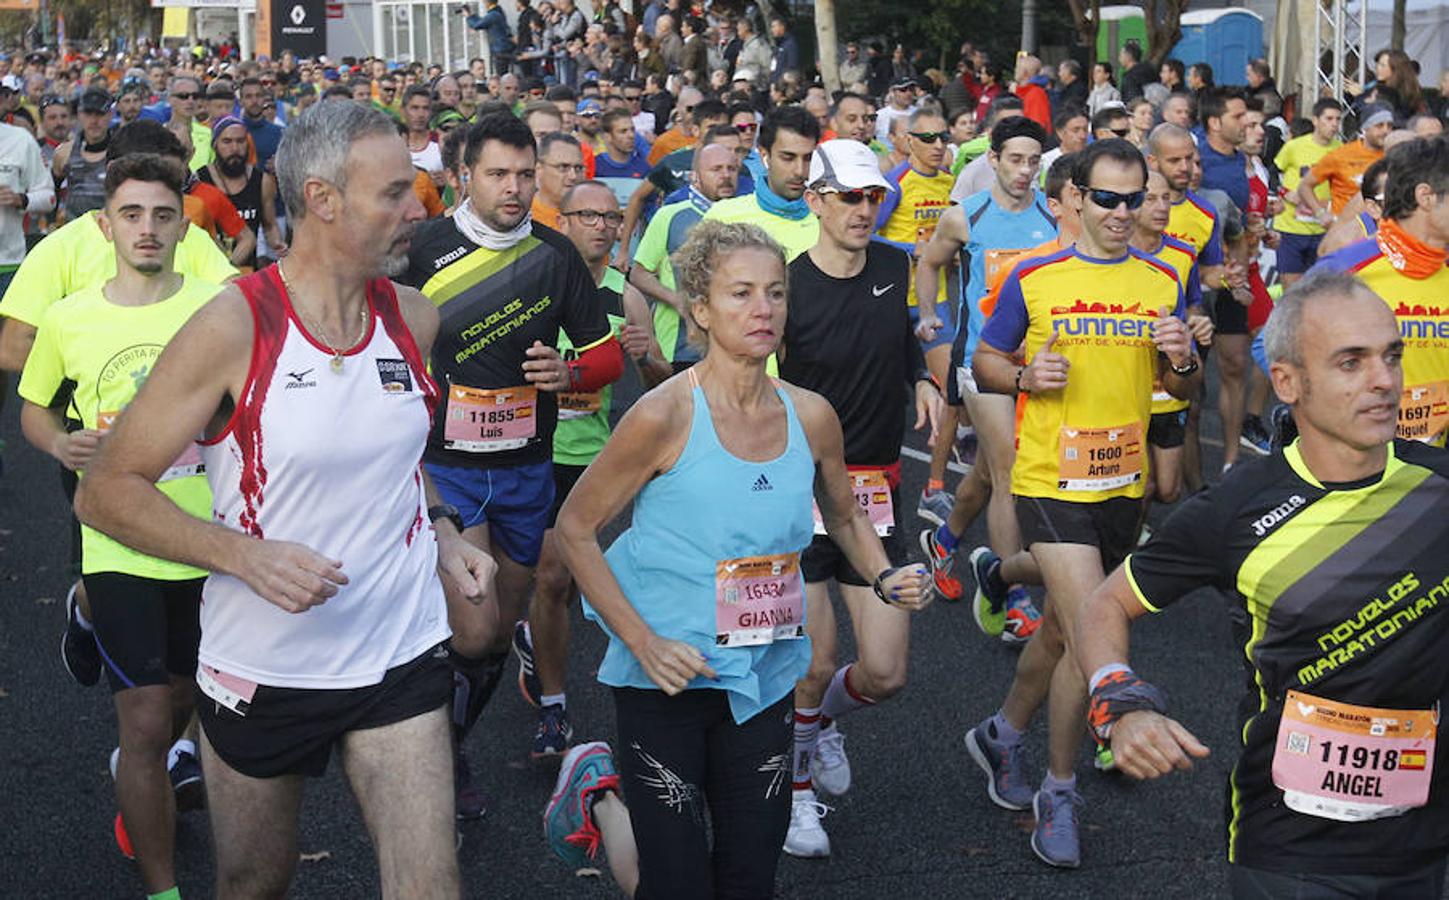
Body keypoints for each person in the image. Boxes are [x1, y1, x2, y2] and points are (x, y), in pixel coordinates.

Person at [74, 100, 492, 899]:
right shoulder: (233, 324)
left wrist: (440, 530)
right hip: (267, 664)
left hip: (398, 649)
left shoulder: (414, 317)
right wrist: (243, 556)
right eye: (396, 194)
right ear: (323, 200)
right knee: (253, 885)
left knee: (431, 887)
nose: (418, 211)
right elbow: (105, 490)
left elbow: (398, 457)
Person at [544, 218, 931, 896]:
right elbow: (576, 527)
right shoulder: (664, 415)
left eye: (775, 294)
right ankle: (602, 798)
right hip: (666, 676)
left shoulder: (810, 414)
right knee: (678, 883)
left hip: (764, 673)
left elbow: (842, 513)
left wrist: (883, 575)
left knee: (748, 877)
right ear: (699, 309)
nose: (762, 310)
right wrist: (642, 641)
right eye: (740, 294)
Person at [1075, 269, 1449, 898]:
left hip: (1429, 840)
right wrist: (1121, 703)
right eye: (1351, 363)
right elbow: (1105, 602)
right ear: (1287, 382)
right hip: (1290, 847)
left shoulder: (1439, 485)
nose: (1385, 380)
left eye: (1391, 355)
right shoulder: (1235, 511)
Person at [964, 139, 1197, 868]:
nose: (1123, 212)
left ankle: (1001, 733)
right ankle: (1058, 789)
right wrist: (1026, 373)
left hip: (1121, 484)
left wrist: (1184, 359)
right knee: (1091, 623)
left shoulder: (1163, 280)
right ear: (1073, 199)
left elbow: (1182, 391)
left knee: (1064, 634)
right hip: (1049, 480)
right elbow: (984, 361)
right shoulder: (1035, 276)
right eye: (1107, 198)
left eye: (1134, 199)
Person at [401, 111, 625, 818]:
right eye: (498, 173)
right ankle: (436, 760)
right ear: (463, 175)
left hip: (528, 465)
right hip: (451, 465)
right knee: (472, 621)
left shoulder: (554, 256)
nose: (514, 187)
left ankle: (447, 738)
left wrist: (570, 372)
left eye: (526, 174)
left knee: (500, 631)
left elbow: (604, 354)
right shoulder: (424, 248)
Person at [18, 153, 218, 900]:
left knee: (190, 701)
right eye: (131, 215)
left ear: (181, 224)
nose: (147, 229)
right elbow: (35, 407)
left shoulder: (215, 305)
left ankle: (153, 782)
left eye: (162, 215)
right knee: (142, 721)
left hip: (210, 542)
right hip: (119, 542)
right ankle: (163, 889)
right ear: (104, 225)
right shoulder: (70, 318)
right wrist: (57, 441)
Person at [778, 138, 940, 857]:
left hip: (876, 494)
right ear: (814, 199)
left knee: (884, 672)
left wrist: (926, 379)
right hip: (799, 497)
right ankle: (796, 794)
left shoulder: (893, 263)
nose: (866, 209)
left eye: (875, 196)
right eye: (850, 196)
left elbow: (899, 336)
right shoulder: (785, 287)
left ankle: (816, 723)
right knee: (810, 664)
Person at [513, 179, 668, 758]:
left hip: (592, 459)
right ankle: (542, 676)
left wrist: (643, 354)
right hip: (532, 449)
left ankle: (544, 675)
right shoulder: (535, 283)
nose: (602, 226)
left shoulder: (624, 296)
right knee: (538, 577)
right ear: (564, 221)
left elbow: (659, 389)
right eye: (589, 216)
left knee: (561, 578)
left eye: (610, 218)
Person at [916, 117, 1056, 641]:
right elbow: (928, 263)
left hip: (1034, 366)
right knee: (1010, 472)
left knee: (987, 474)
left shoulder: (1052, 215)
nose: (1024, 171)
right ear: (992, 160)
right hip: (981, 362)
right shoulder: (965, 216)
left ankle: (946, 542)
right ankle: (1011, 593)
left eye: (1033, 161)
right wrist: (930, 314)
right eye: (1015, 160)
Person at [1308, 136, 1449, 446]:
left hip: (1432, 469)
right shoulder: (1346, 268)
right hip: (1355, 462)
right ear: (1426, 197)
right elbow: (1270, 349)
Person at [875, 107, 956, 508]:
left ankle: (934, 488)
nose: (938, 145)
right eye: (928, 138)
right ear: (908, 142)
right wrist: (912, 249)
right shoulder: (894, 184)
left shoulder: (948, 182)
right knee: (887, 400)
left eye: (943, 137)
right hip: (889, 300)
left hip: (933, 301)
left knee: (950, 392)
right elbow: (865, 235)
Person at [1131, 170, 1212, 515]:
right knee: (1142, 485)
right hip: (1131, 387)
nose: (1161, 207)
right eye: (1150, 199)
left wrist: (1197, 321)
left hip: (1169, 388)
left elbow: (1193, 302)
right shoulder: (1116, 253)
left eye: (1165, 198)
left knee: (1167, 489)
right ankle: (1124, 555)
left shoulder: (1182, 254)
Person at [631, 137, 740, 372]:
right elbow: (639, 274)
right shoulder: (670, 215)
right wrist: (676, 300)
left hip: (735, 347)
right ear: (695, 176)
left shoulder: (748, 216)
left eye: (731, 169)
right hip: (680, 347)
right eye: (716, 169)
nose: (726, 175)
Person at [703, 105, 820, 261]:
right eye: (788, 158)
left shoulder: (831, 219)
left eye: (808, 158)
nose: (800, 170)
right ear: (765, 155)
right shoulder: (724, 217)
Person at [198, 116, 286, 270]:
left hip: (248, 272)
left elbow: (269, 224)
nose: (234, 148)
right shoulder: (200, 181)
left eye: (240, 141)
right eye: (227, 142)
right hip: (209, 271)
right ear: (215, 145)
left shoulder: (262, 181)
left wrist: (278, 244)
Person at [1272, 98, 1343, 286]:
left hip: (1323, 228)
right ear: (1315, 120)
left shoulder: (1341, 151)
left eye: (1338, 119)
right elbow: (1271, 173)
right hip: (1291, 227)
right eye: (1329, 119)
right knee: (1292, 289)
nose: (1334, 124)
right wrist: (1285, 193)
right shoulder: (1294, 147)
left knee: (1318, 289)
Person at [1296, 106, 1392, 223]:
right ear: (1365, 129)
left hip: (1383, 228)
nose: (1385, 131)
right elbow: (1304, 186)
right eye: (1379, 126)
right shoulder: (1341, 155)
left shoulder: (1394, 155)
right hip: (1345, 229)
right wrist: (1320, 213)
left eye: (1389, 126)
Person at [52, 87, 113, 222]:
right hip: (74, 231)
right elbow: (52, 191)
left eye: (100, 114)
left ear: (110, 115)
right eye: (88, 114)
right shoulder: (64, 152)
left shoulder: (122, 152)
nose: (94, 121)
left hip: (110, 232)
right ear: (79, 115)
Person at [531, 131, 585, 229]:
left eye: (578, 168)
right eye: (563, 167)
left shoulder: (594, 218)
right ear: (538, 169)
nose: (573, 176)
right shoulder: (524, 217)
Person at [593, 107, 651, 178]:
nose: (631, 135)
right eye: (623, 131)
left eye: (632, 130)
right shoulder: (595, 166)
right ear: (607, 136)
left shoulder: (644, 167)